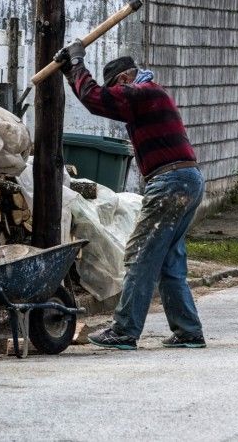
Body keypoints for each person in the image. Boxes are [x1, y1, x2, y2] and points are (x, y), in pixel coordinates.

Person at [57, 39, 206, 350]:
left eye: (116, 88)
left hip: (170, 182)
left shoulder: (141, 93)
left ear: (124, 80)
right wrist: (71, 74)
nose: (116, 97)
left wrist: (77, 63)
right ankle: (188, 330)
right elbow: (94, 98)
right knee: (168, 261)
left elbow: (95, 98)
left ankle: (124, 330)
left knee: (139, 254)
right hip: (186, 179)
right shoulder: (151, 94)